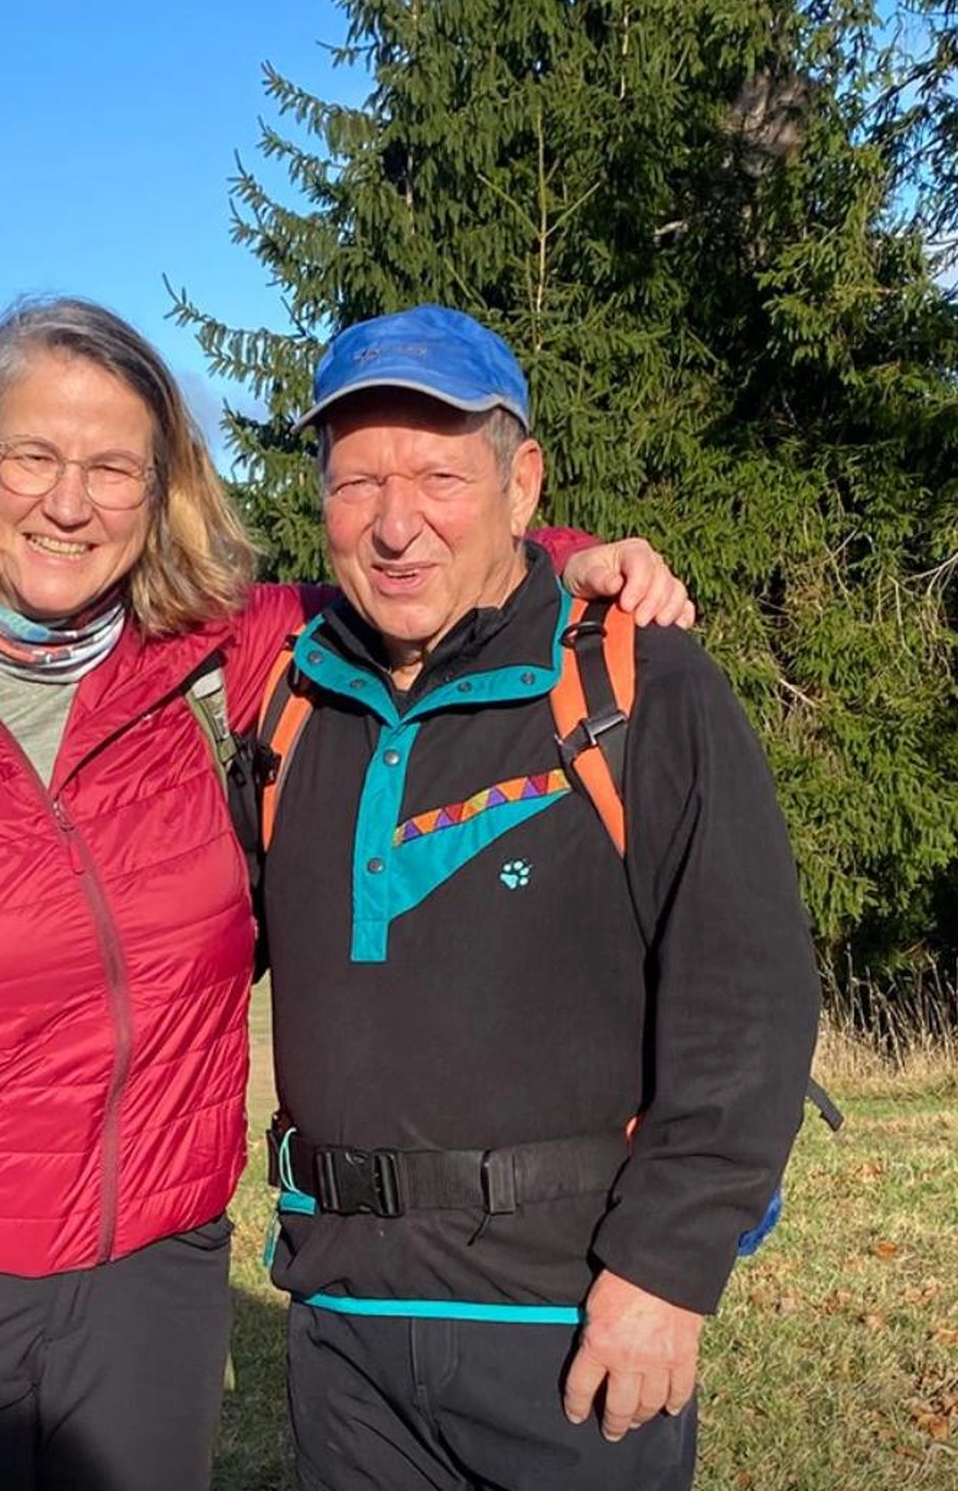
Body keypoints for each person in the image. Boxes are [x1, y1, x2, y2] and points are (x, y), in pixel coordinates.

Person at [0, 297, 691, 1491]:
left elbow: (404, 574)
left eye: (113, 468)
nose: (68, 501)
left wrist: (565, 555)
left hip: (154, 1280)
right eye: (32, 457)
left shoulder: (215, 660)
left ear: (160, 495)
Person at [260, 304, 821, 1491]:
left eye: (437, 477)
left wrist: (665, 1275)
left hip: (567, 1321)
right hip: (341, 1322)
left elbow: (747, 1001)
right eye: (356, 483)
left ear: (521, 486)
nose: (395, 523)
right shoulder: (289, 703)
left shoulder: (635, 680)